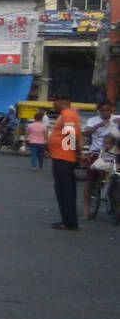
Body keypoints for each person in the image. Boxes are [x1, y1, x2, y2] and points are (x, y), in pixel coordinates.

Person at [47, 92, 81, 230]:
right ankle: (67, 220)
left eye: (54, 102)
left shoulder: (67, 114)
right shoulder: (69, 114)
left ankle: (69, 222)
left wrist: (72, 153)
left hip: (64, 158)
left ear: (61, 102)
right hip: (63, 157)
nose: (53, 105)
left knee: (64, 191)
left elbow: (70, 134)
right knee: (65, 190)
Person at [81, 100, 117, 218]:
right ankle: (86, 209)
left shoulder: (116, 119)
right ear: (99, 111)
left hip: (113, 153)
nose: (106, 113)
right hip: (96, 153)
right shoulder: (93, 120)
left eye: (108, 110)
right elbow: (86, 133)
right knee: (90, 182)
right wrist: (98, 126)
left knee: (115, 180)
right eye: (103, 110)